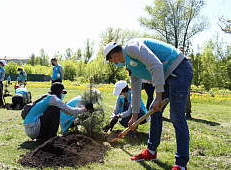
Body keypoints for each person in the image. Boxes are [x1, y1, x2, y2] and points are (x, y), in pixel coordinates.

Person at [103, 38, 193, 170]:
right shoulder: (130, 65)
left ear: (113, 56)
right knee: (154, 111)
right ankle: (151, 152)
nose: (113, 63)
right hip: (168, 76)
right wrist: (134, 117)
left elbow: (156, 65)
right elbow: (135, 90)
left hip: (179, 70)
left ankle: (181, 164)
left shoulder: (131, 47)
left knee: (176, 116)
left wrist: (158, 96)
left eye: (111, 61)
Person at [23, 82, 93, 141]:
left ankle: (46, 136)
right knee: (55, 109)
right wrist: (85, 109)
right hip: (33, 129)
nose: (63, 94)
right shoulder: (54, 99)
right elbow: (70, 111)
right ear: (60, 92)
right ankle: (51, 137)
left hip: (30, 128)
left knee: (55, 108)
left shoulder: (48, 97)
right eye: (63, 92)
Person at [178, 46, 193, 119]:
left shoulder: (188, 59)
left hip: (186, 80)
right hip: (177, 79)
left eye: (182, 50)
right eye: (180, 50)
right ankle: (177, 112)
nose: (181, 52)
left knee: (187, 97)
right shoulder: (176, 59)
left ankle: (188, 112)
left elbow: (190, 69)